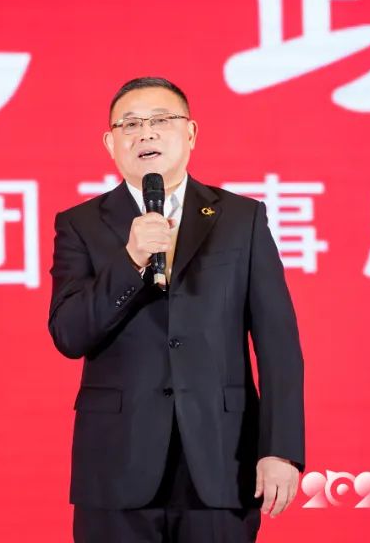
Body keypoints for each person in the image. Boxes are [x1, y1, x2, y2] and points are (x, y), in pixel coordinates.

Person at [48, 77, 306, 542]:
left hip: (222, 457)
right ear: (109, 143)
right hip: (116, 463)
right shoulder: (80, 224)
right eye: (129, 124)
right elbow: (69, 334)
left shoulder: (241, 218)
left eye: (161, 120)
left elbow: (278, 344)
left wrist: (280, 449)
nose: (145, 133)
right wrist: (131, 261)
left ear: (190, 133)